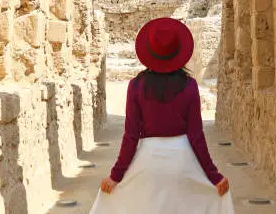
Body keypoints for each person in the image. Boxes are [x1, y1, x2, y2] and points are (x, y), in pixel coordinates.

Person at [89, 17, 234, 213]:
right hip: (183, 160)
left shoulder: (136, 86)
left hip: (149, 159)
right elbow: (196, 135)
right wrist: (214, 175)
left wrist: (115, 176)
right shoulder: (189, 86)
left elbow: (131, 136)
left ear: (149, 50)